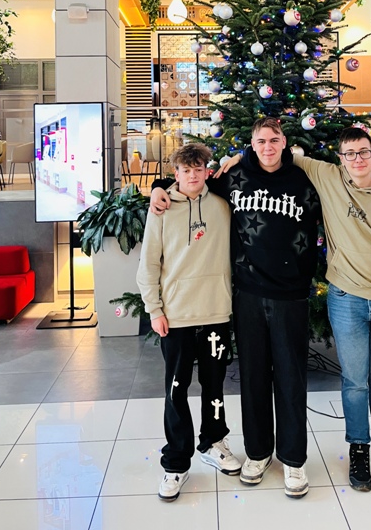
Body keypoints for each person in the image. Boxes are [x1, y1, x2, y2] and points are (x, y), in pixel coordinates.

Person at [151, 117, 322, 499]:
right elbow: (189, 182)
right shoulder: (234, 176)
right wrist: (157, 186)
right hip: (246, 295)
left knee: (291, 381)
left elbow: (344, 189)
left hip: (291, 296)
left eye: (274, 140)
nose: (267, 147)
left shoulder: (305, 178)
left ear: (284, 142)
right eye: (261, 141)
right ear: (252, 143)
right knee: (253, 379)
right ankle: (258, 453)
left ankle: (293, 459)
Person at [288, 126, 371, 492]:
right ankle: (359, 448)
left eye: (363, 152)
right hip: (346, 299)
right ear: (340, 157)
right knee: (354, 381)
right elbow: (283, 153)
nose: (357, 159)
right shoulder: (328, 176)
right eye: (349, 153)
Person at [137, 143, 241, 502]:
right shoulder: (161, 208)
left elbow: (250, 157)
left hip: (215, 312)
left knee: (214, 387)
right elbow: (149, 262)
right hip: (176, 315)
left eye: (199, 169)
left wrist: (235, 157)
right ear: (176, 173)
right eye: (186, 170)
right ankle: (176, 462)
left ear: (207, 171)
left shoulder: (223, 204)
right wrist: (154, 309)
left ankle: (213, 442)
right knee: (176, 389)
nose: (193, 176)